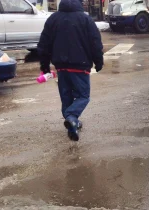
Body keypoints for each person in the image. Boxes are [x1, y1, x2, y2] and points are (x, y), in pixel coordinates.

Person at [37, 0, 104, 141]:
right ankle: (72, 117)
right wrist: (98, 61)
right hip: (81, 65)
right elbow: (95, 42)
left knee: (66, 96)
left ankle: (72, 123)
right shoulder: (85, 19)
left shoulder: (53, 18)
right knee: (83, 96)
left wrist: (44, 66)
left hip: (61, 66)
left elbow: (44, 44)